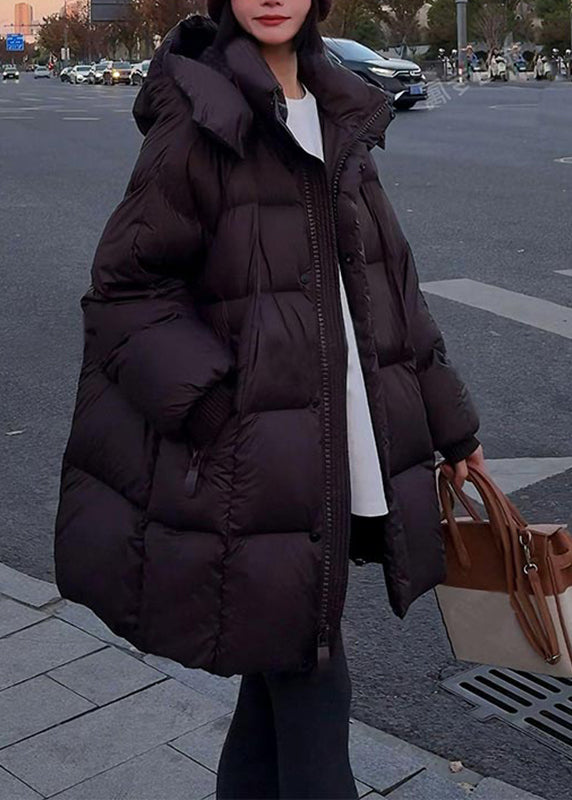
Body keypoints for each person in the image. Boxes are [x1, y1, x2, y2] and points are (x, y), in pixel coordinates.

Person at [53, 0, 486, 796]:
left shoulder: (340, 109)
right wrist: (220, 411)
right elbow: (124, 291)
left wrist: (453, 427)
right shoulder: (200, 117)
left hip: (338, 448)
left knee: (276, 682)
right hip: (259, 466)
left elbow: (390, 284)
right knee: (313, 680)